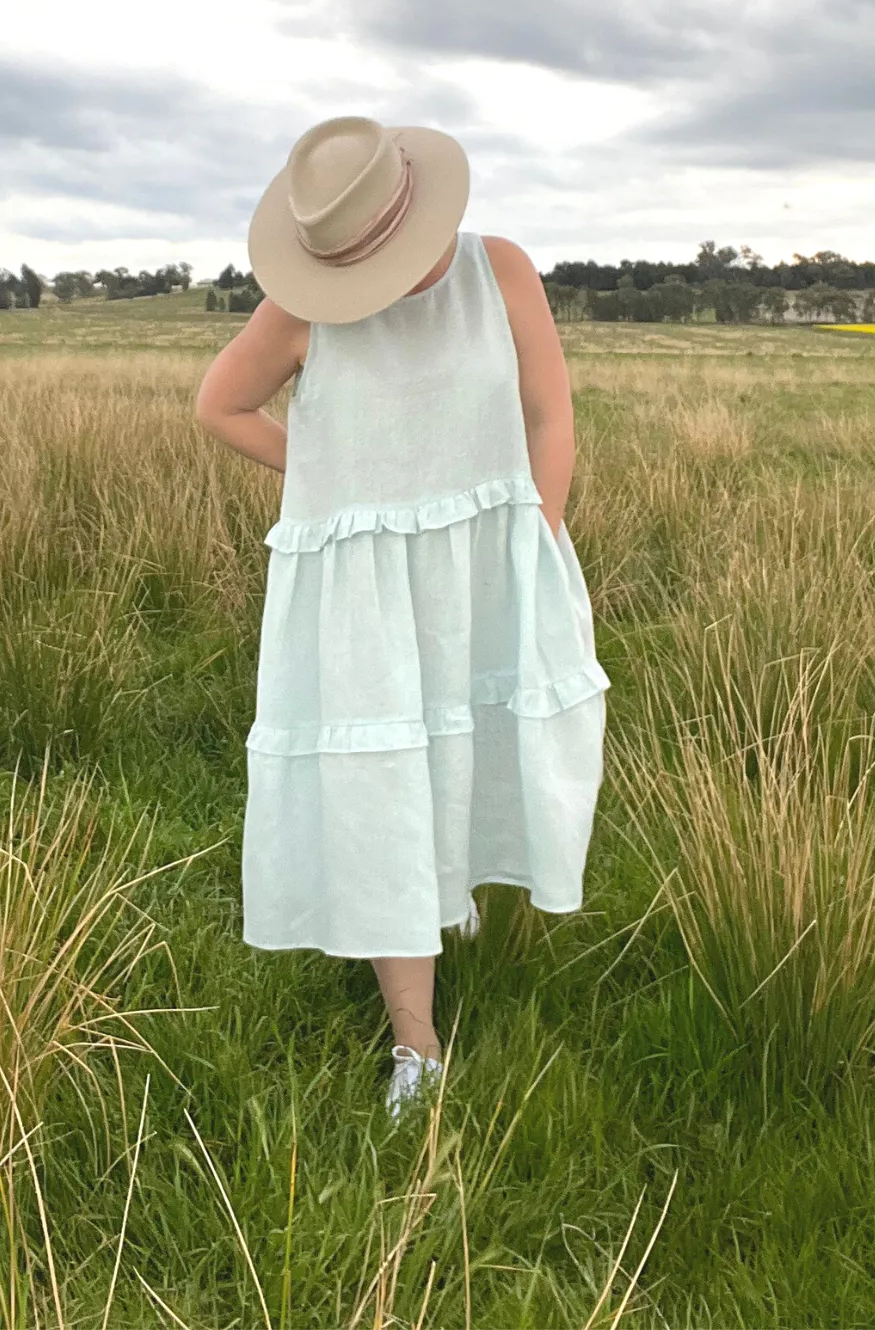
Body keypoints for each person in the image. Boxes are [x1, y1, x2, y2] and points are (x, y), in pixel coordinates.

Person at [195, 116, 610, 1122]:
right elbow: (221, 405)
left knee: (478, 744)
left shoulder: (499, 271)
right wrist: (344, 484)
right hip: (367, 594)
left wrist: (537, 528)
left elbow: (549, 414)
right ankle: (415, 1045)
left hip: (490, 565)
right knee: (384, 779)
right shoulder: (301, 311)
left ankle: (455, 899)